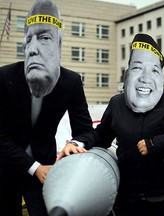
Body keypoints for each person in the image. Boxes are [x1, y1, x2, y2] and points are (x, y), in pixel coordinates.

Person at [58, 33, 164, 216]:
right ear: (128, 73)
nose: (145, 78)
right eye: (137, 68)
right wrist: (77, 143)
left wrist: (154, 144)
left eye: (154, 70)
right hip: (130, 199)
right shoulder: (117, 103)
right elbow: (101, 135)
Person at [0, 1, 94, 215]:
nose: (32, 49)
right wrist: (35, 168)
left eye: (44, 38)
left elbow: (86, 131)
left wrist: (74, 144)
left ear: (59, 45)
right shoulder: (5, 78)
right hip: (6, 169)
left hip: (46, 169)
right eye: (29, 39)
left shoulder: (70, 82)